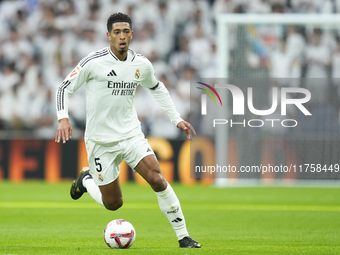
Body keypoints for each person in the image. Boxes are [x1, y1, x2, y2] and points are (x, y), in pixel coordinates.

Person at [55, 12, 200, 248]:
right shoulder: (94, 61)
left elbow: (158, 88)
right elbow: (64, 88)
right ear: (108, 36)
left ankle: (183, 236)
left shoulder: (141, 64)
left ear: (131, 34)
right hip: (101, 141)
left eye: (125, 32)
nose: (121, 37)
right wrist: (63, 118)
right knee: (113, 203)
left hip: (131, 135)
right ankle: (86, 179)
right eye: (116, 32)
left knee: (157, 179)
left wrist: (177, 119)